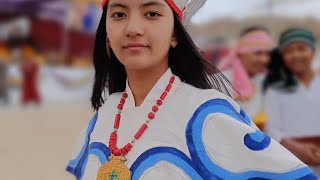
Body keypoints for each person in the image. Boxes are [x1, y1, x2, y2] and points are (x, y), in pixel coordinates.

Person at [66, 1, 318, 179]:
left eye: (151, 13)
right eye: (119, 14)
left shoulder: (207, 113)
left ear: (176, 33)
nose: (133, 28)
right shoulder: (104, 115)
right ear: (107, 34)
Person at [264, 28, 320, 176]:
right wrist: (296, 148)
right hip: (291, 162)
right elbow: (272, 129)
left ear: (312, 52)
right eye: (288, 51)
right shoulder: (275, 90)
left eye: (301, 49)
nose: (295, 55)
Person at [218, 27, 273, 130]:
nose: (264, 59)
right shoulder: (221, 82)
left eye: (267, 54)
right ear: (241, 52)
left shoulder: (267, 81)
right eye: (258, 53)